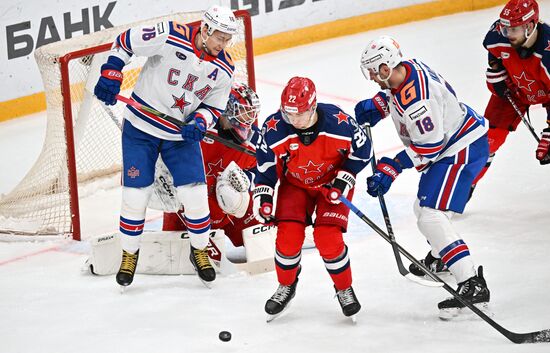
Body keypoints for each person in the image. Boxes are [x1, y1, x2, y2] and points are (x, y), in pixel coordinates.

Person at [93, 5, 238, 287]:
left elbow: (214, 105)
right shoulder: (170, 34)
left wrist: (200, 121)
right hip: (140, 130)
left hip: (178, 136)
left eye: (227, 39)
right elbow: (125, 41)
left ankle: (199, 251)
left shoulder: (224, 67)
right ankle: (129, 255)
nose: (223, 44)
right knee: (135, 197)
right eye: (219, 37)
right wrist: (111, 71)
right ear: (205, 29)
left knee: (195, 197)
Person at [355, 36, 491, 319]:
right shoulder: (405, 70)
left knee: (430, 214)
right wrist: (381, 104)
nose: (371, 77)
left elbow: (431, 146)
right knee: (423, 208)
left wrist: (392, 167)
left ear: (385, 66)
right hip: (456, 141)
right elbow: (398, 93)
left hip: (460, 148)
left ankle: (472, 283)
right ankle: (443, 257)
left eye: (373, 70)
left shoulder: (419, 100)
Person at [253, 76, 372, 321]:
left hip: (332, 184)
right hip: (295, 184)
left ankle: (344, 288)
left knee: (328, 239)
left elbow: (364, 151)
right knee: (287, 239)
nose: (293, 121)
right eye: (289, 114)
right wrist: (263, 197)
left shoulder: (340, 123)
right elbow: (265, 168)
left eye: (300, 115)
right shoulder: (274, 128)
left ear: (313, 106)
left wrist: (345, 176)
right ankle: (286, 285)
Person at [162, 83, 262, 249]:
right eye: (243, 112)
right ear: (225, 108)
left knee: (262, 245)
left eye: (250, 113)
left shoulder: (253, 140)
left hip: (232, 210)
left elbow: (261, 169)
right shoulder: (195, 129)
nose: (247, 119)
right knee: (172, 256)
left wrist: (246, 180)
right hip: (187, 210)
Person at [471, 0, 550, 193]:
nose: (507, 35)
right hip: (514, 89)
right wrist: (496, 70)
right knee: (486, 140)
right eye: (505, 29)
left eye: (513, 30)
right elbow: (493, 52)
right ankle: (466, 185)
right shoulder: (498, 35)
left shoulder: (548, 54)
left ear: (530, 26)